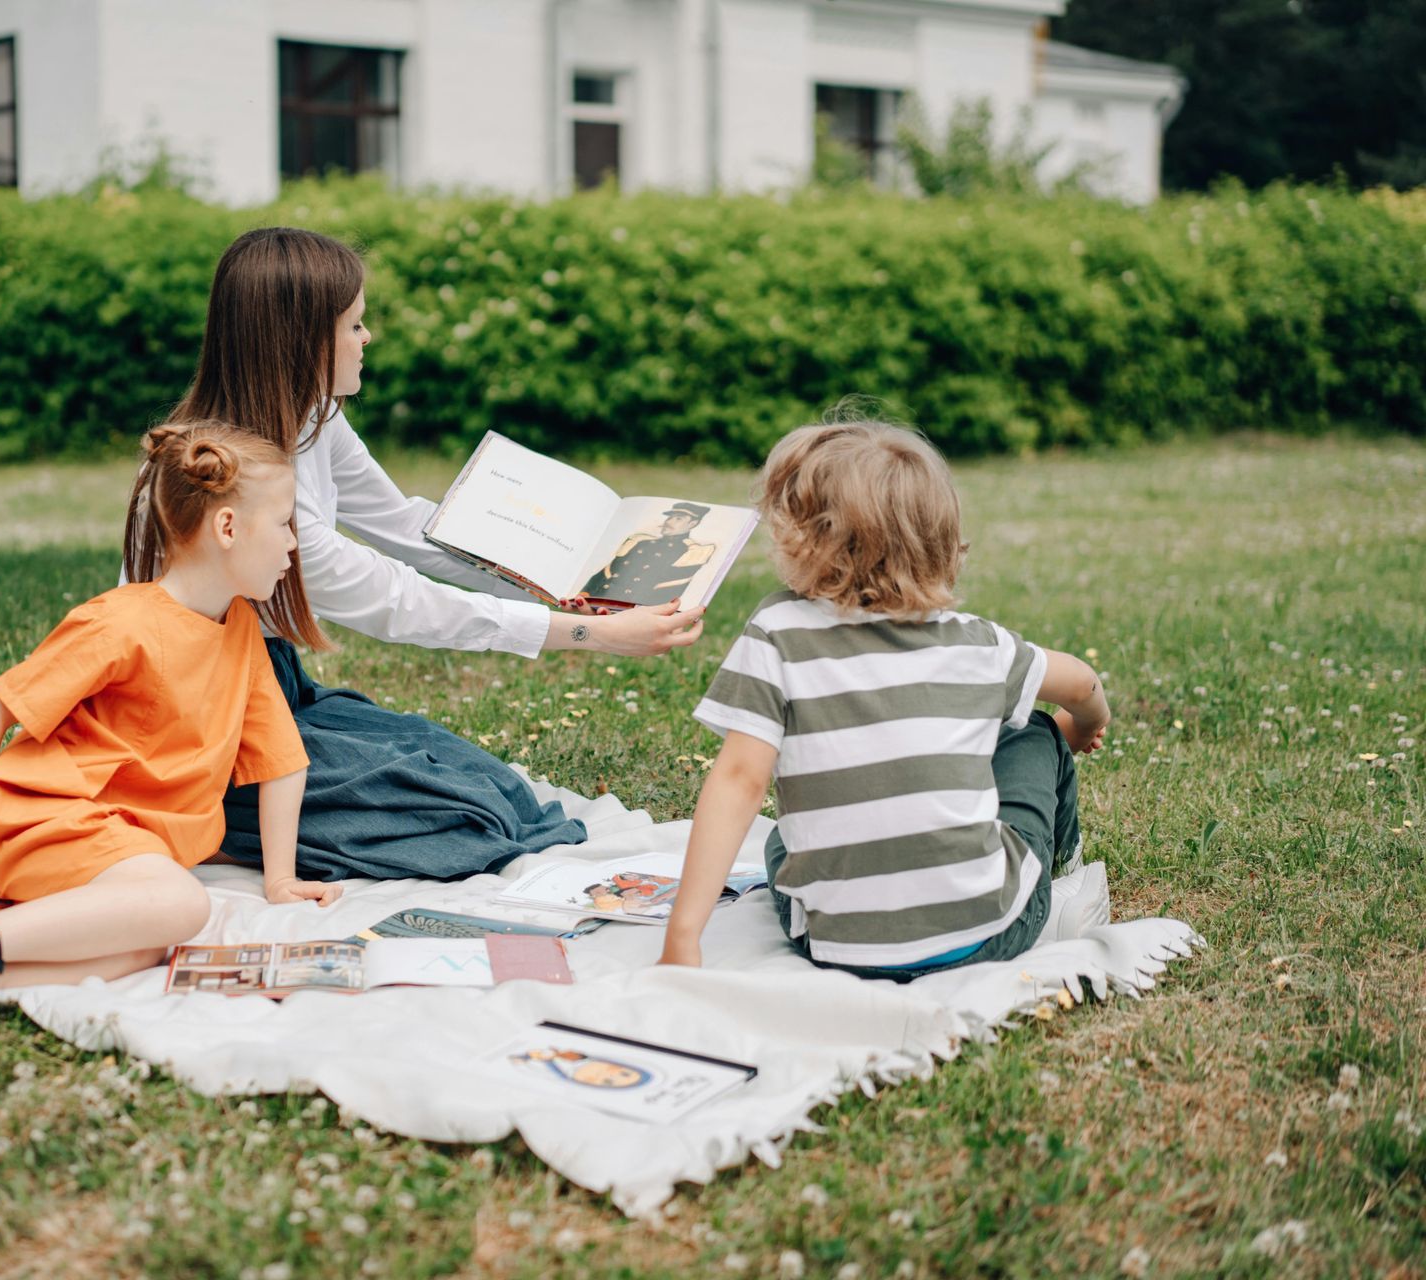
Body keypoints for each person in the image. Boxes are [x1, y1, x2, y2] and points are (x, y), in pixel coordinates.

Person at [122, 227, 706, 883]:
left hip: (275, 689)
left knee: (503, 795)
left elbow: (406, 525)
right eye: (354, 325)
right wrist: (584, 634)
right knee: (471, 822)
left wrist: (559, 583)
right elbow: (396, 600)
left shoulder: (313, 417)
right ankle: (213, 822)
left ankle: (254, 816)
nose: (366, 339)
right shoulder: (235, 484)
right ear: (300, 340)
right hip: (201, 726)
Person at [0, 422, 343, 1055]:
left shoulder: (240, 632)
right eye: (285, 522)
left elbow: (281, 760)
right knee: (182, 904)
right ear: (228, 529)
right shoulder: (122, 622)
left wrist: (280, 881)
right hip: (49, 822)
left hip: (115, 845)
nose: (294, 542)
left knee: (148, 940)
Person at [658, 419, 1111, 980]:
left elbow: (739, 780)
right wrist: (1081, 725)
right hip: (990, 935)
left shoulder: (777, 631)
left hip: (841, 949)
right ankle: (1059, 875)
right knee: (1032, 730)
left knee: (781, 841)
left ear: (802, 536)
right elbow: (1083, 685)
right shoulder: (975, 642)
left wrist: (682, 937)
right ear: (941, 539)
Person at [580, 502, 717, 604]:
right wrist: (587, 591)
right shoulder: (642, 542)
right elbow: (610, 570)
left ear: (693, 523)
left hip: (633, 606)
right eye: (669, 517)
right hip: (601, 596)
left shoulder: (690, 552)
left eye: (678, 519)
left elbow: (669, 588)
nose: (669, 522)